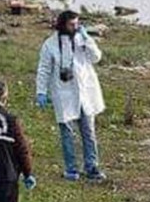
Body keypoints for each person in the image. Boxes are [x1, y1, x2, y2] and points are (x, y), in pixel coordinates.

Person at [35, 10, 106, 181]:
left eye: (77, 24)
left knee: (88, 132)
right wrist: (41, 91)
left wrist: (87, 39)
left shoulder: (82, 39)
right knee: (67, 133)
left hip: (85, 92)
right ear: (62, 25)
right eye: (71, 24)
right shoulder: (50, 44)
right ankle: (71, 169)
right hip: (64, 94)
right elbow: (44, 69)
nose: (75, 27)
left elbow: (96, 57)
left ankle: (91, 167)